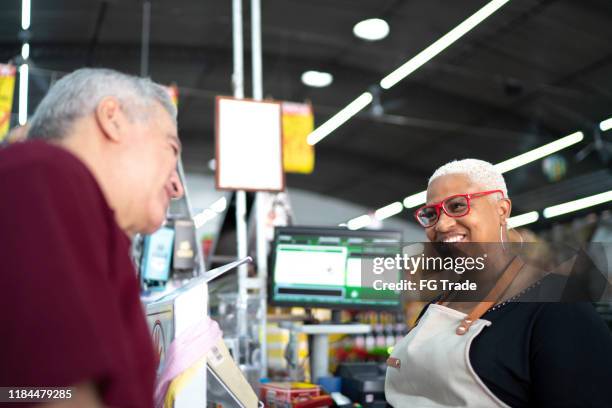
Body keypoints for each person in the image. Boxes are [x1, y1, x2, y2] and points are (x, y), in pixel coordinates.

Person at [0, 68, 184, 407]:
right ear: (112, 118)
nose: (177, 186)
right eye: (171, 148)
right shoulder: (42, 173)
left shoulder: (100, 241)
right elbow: (48, 394)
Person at [385, 159, 612, 407]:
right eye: (431, 213)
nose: (441, 224)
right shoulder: (439, 304)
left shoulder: (560, 309)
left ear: (502, 210)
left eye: (458, 206)